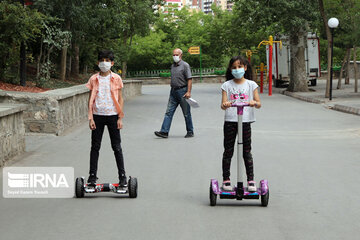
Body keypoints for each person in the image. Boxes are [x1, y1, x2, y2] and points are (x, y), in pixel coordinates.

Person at [85, 50, 127, 187]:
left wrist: (120, 118)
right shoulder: (93, 79)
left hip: (113, 116)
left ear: (112, 63)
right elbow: (90, 99)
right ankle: (92, 176)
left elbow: (120, 98)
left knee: (117, 147)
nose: (105, 63)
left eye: (107, 61)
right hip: (97, 116)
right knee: (95, 147)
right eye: (102, 60)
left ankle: (122, 176)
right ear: (98, 62)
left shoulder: (116, 78)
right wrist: (90, 118)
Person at [220, 56, 261, 192]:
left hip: (245, 121)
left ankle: (250, 180)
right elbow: (223, 104)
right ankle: (226, 179)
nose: (237, 69)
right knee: (228, 150)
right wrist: (226, 104)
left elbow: (258, 103)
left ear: (245, 68)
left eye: (240, 66)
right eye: (234, 67)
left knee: (246, 151)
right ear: (231, 69)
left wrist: (253, 102)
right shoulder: (226, 85)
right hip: (230, 121)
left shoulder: (251, 85)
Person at [154, 48, 194, 138]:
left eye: (177, 54)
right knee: (168, 112)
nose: (175, 56)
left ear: (181, 55)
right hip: (173, 92)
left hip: (183, 91)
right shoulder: (172, 66)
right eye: (174, 55)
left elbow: (189, 79)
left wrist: (188, 91)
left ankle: (190, 131)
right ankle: (164, 131)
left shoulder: (185, 65)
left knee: (186, 113)